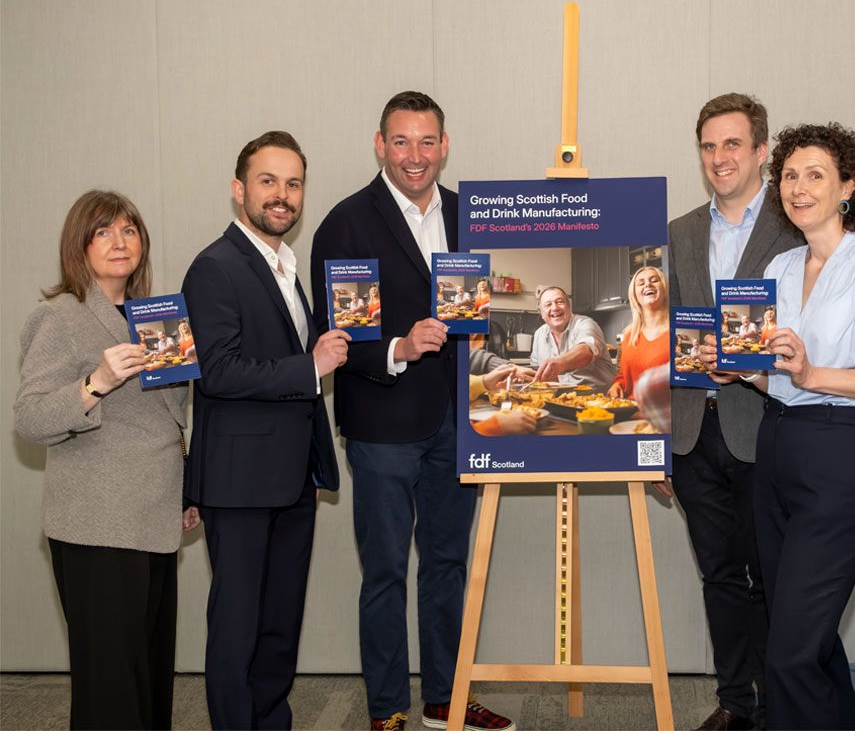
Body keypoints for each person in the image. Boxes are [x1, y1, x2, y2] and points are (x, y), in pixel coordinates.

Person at [309, 91, 513, 731]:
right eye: (401, 141)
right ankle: (387, 709)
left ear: (445, 146)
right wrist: (399, 345)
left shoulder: (472, 216)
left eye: (427, 142)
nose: (414, 156)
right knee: (386, 572)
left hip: (459, 422)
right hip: (384, 425)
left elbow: (487, 308)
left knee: (448, 566)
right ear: (380, 145)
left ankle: (446, 698)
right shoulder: (346, 223)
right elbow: (340, 334)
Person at [734, 122, 855, 730]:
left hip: (842, 454)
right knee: (799, 631)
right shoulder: (779, 266)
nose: (798, 187)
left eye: (815, 175)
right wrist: (735, 367)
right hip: (777, 442)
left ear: (848, 187)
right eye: (789, 175)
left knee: (793, 647)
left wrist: (813, 374)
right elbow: (780, 378)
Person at [182, 131, 349, 730]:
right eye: (268, 181)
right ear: (239, 190)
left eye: (293, 183)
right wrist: (310, 366)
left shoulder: (284, 267)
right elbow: (218, 371)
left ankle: (271, 722)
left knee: (279, 622)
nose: (282, 195)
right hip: (240, 483)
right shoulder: (215, 267)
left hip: (292, 477)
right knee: (237, 627)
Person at [15, 190, 196, 729]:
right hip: (97, 525)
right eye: (103, 232)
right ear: (80, 245)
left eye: (129, 230)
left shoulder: (157, 316)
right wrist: (96, 382)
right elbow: (30, 418)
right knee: (111, 690)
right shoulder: (59, 316)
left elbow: (170, 420)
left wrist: (186, 492)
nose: (120, 242)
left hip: (155, 519)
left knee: (150, 679)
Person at [668, 93, 803, 731]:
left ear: (761, 151)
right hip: (694, 433)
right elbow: (661, 336)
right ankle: (735, 703)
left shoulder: (795, 223)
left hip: (766, 427)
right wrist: (658, 440)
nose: (719, 157)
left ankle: (777, 706)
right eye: (708, 145)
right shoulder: (679, 232)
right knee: (719, 576)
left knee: (772, 577)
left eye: (732, 144)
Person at [529, 286, 616, 388]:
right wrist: (521, 376)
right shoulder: (539, 334)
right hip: (561, 396)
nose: (555, 308)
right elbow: (537, 372)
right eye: (548, 304)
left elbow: (586, 351)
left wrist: (560, 363)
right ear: (541, 313)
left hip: (598, 395)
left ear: (569, 306)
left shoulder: (585, 324)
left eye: (560, 302)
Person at [609, 266, 670, 399]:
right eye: (641, 283)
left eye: (654, 280)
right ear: (634, 295)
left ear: (665, 289)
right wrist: (617, 385)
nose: (648, 284)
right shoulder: (628, 335)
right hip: (631, 408)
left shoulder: (679, 332)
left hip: (664, 409)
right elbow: (623, 375)